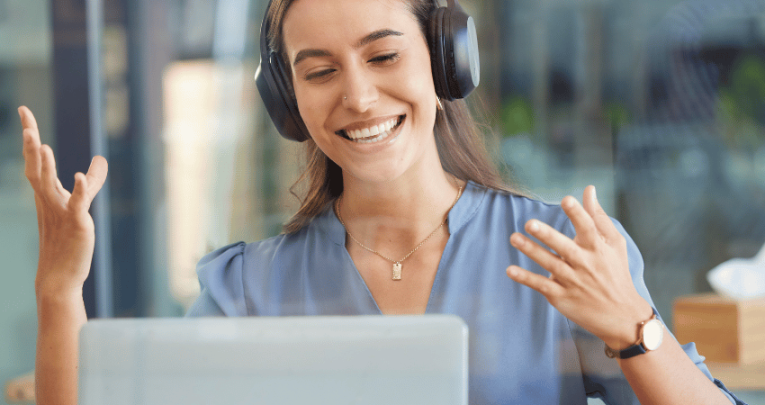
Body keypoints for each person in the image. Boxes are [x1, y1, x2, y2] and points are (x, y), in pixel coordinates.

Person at [20, 0, 744, 404]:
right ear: (288, 101)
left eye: (384, 54)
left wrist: (633, 327)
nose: (358, 96)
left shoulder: (563, 252)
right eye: (320, 70)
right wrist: (58, 290)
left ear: (444, 61)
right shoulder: (245, 288)